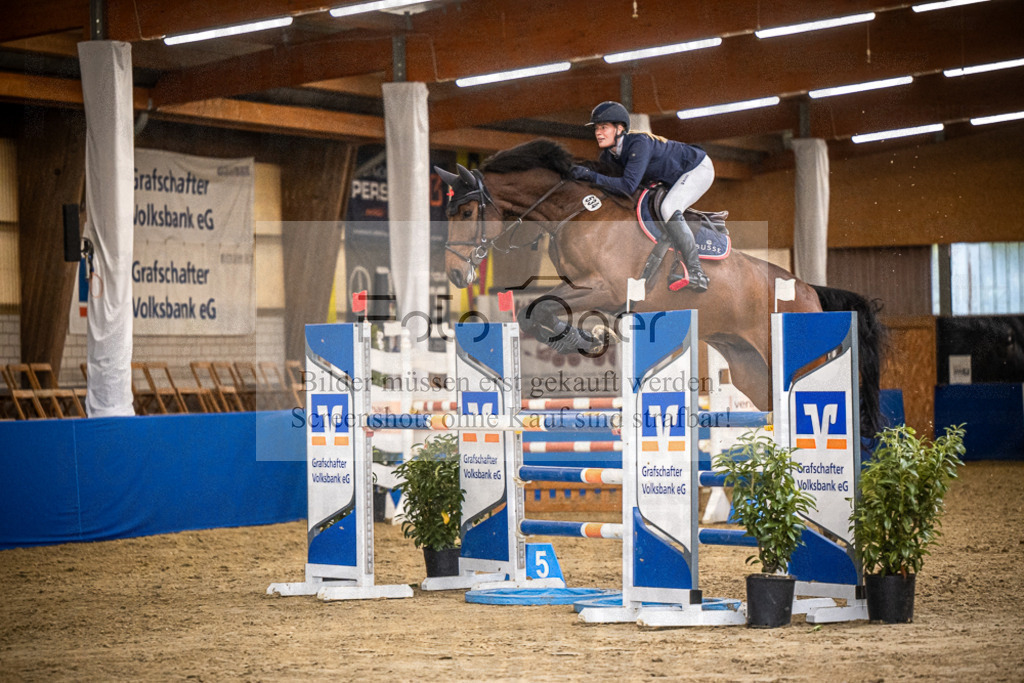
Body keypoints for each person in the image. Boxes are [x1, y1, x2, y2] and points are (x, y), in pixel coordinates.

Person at [569, 101, 714, 292]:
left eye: (604, 127)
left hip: (697, 168)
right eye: (596, 128)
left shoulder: (638, 143)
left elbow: (628, 186)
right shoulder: (608, 156)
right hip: (671, 177)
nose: (598, 132)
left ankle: (697, 274)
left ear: (620, 128)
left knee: (668, 208)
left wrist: (590, 175)